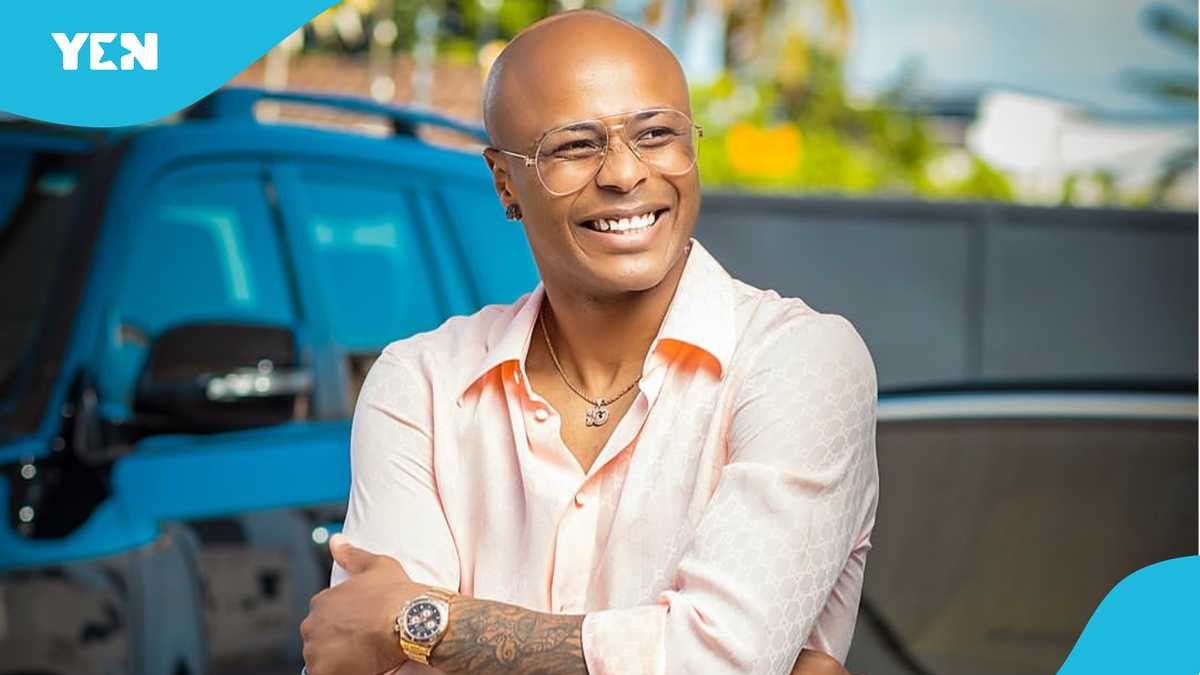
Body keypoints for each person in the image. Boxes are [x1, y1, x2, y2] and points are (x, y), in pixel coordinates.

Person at [299, 8, 878, 675]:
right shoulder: (422, 385)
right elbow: (362, 657)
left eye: (656, 134)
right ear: (504, 181)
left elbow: (719, 661)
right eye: (574, 146)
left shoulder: (800, 363)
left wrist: (422, 622)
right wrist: (669, 646)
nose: (625, 174)